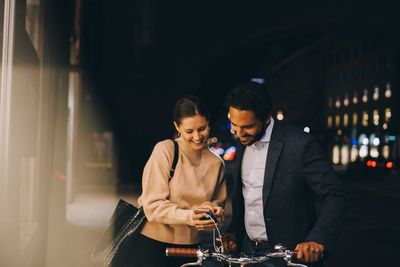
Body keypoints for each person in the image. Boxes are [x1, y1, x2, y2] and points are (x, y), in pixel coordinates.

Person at [222, 81, 345, 267]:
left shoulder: (300, 145)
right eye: (233, 125)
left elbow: (334, 195)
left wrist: (317, 239)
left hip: (288, 257)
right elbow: (246, 199)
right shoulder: (241, 144)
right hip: (246, 253)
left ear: (266, 118)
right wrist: (233, 232)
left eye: (247, 126)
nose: (239, 134)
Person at [122, 95, 227, 267]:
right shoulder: (166, 150)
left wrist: (214, 212)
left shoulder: (217, 164)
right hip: (153, 246)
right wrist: (191, 216)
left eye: (202, 128)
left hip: (192, 249)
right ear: (177, 127)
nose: (197, 136)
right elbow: (152, 206)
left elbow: (217, 205)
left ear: (209, 123)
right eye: (189, 131)